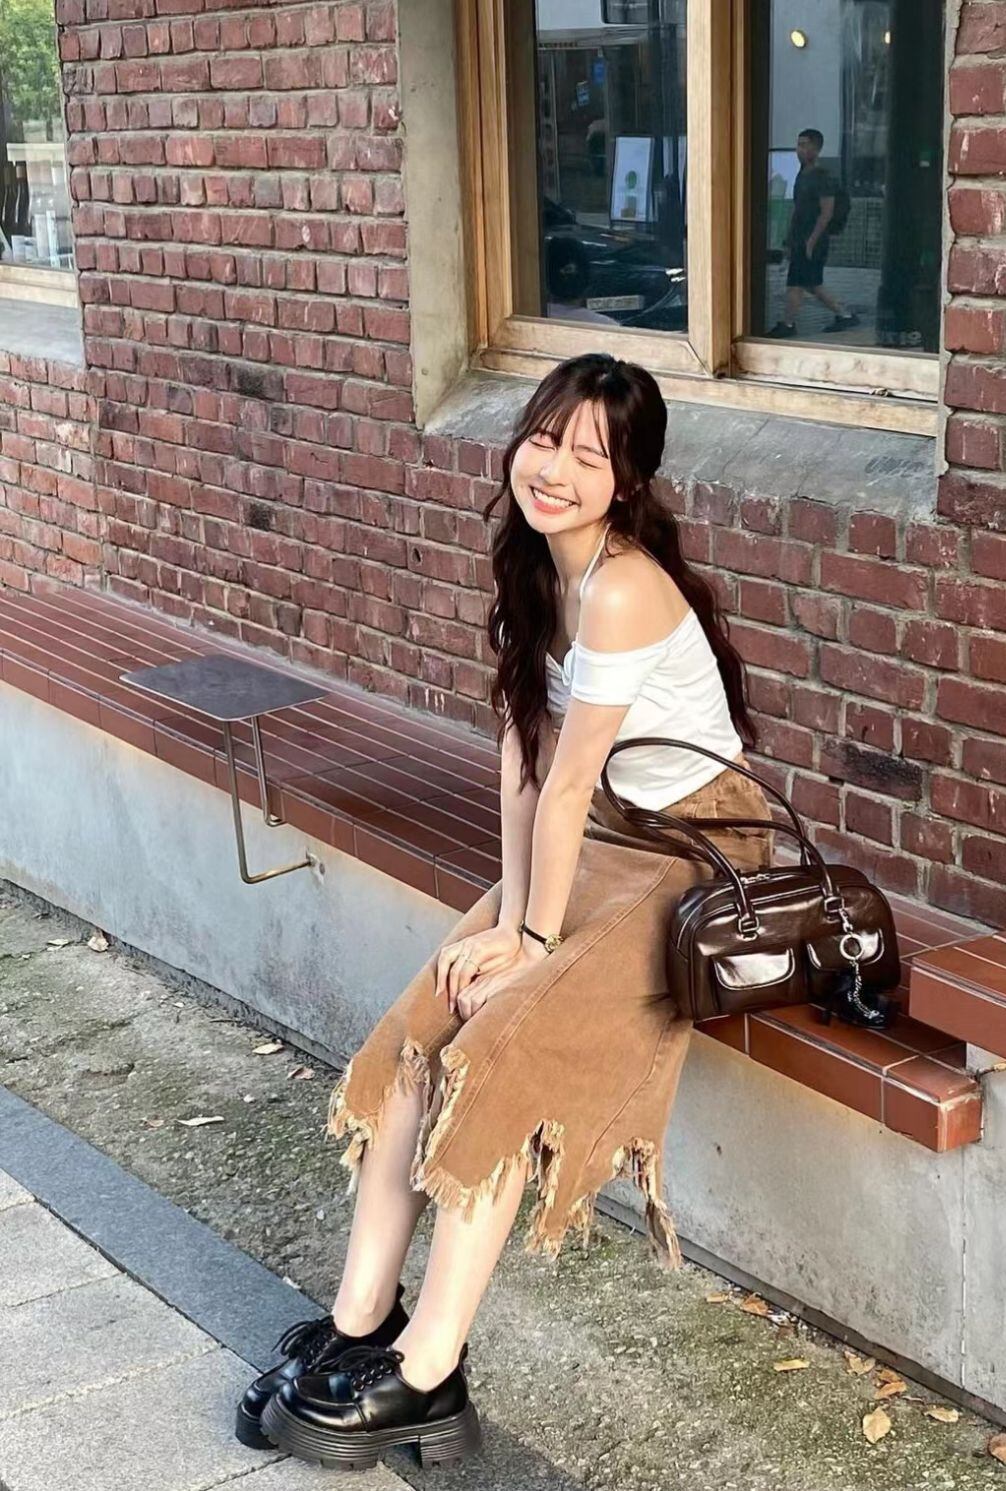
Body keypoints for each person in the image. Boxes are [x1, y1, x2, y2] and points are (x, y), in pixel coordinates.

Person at [236, 354, 776, 1472]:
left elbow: (571, 783)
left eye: (590, 454)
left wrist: (532, 944)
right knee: (420, 1032)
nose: (555, 469)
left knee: (497, 1057)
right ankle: (360, 1323)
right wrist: (505, 919)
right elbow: (525, 763)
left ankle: (428, 1373)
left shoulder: (622, 586)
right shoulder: (537, 568)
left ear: (629, 481)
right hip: (601, 835)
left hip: (694, 853)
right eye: (544, 439)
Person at [770, 128, 859, 340]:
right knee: (809, 283)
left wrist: (811, 242)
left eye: (804, 145)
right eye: (798, 145)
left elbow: (826, 213)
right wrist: (789, 240)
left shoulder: (823, 178)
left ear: (816, 149)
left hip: (814, 240)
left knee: (798, 283)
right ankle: (844, 315)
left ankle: (788, 323)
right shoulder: (802, 175)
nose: (799, 150)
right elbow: (798, 210)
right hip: (801, 238)